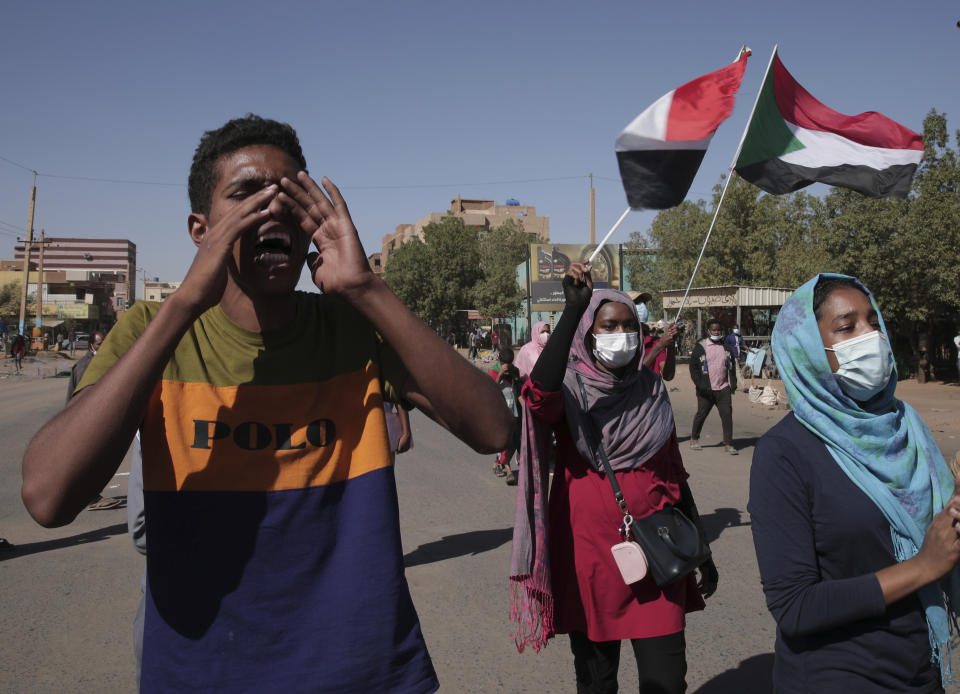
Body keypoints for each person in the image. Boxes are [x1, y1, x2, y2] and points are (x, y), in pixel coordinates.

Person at [20, 115, 513, 693]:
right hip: (201, 675)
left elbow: (494, 429)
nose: (270, 208)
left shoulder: (353, 327)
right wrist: (183, 306)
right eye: (245, 194)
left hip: (365, 674)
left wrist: (367, 290)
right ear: (200, 228)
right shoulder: (153, 330)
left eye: (288, 193)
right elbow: (48, 497)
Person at [510, 261, 717, 693]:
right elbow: (538, 395)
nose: (621, 335)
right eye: (608, 326)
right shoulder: (569, 391)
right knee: (597, 684)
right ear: (588, 334)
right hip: (590, 564)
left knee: (666, 682)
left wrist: (701, 543)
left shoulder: (651, 389)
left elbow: (674, 473)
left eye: (628, 326)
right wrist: (572, 310)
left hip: (659, 557)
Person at [749, 273, 960, 693]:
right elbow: (795, 606)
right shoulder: (785, 452)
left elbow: (940, 534)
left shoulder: (906, 427)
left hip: (919, 668)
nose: (870, 335)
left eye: (873, 321)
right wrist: (921, 567)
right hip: (838, 676)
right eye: (847, 327)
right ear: (807, 348)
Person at [65, 331, 121, 511]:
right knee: (88, 461)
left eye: (104, 343)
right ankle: (88, 497)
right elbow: (83, 398)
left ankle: (85, 495)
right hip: (83, 422)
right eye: (99, 344)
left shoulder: (98, 362)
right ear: (91, 345)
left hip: (90, 420)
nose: (102, 347)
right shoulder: (85, 366)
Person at [689, 319, 738, 454]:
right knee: (701, 414)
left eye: (718, 330)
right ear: (708, 331)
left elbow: (731, 367)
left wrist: (733, 384)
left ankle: (728, 444)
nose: (717, 332)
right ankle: (694, 439)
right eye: (714, 330)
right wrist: (699, 384)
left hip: (723, 388)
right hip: (706, 389)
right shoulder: (701, 347)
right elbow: (693, 367)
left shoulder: (726, 347)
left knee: (727, 415)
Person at [488, 347, 522, 486]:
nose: (507, 366)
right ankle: (508, 471)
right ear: (500, 361)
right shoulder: (493, 371)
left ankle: (498, 464)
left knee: (515, 441)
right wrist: (500, 375)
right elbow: (491, 391)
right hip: (501, 412)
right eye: (505, 363)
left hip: (515, 411)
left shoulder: (514, 371)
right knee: (505, 441)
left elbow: (518, 390)